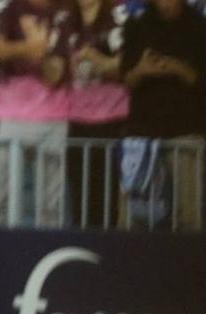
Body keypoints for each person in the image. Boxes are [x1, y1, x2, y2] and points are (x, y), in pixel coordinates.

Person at [0, 0, 74, 227]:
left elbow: (55, 75)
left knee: (51, 209)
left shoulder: (65, 10)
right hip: (11, 117)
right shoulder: (6, 6)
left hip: (54, 118)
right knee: (1, 203)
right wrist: (28, 46)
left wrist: (39, 50)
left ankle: (48, 258)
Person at [119, 0, 206, 229]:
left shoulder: (199, 25)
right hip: (141, 134)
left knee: (189, 215)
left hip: (186, 132)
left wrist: (181, 70)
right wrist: (142, 70)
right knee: (132, 216)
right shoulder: (136, 24)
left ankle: (188, 262)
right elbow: (126, 79)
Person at [64, 0, 129, 228]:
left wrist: (97, 61)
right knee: (80, 201)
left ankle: (107, 254)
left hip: (112, 121)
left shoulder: (117, 18)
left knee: (107, 201)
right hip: (75, 121)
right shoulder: (66, 21)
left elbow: (129, 67)